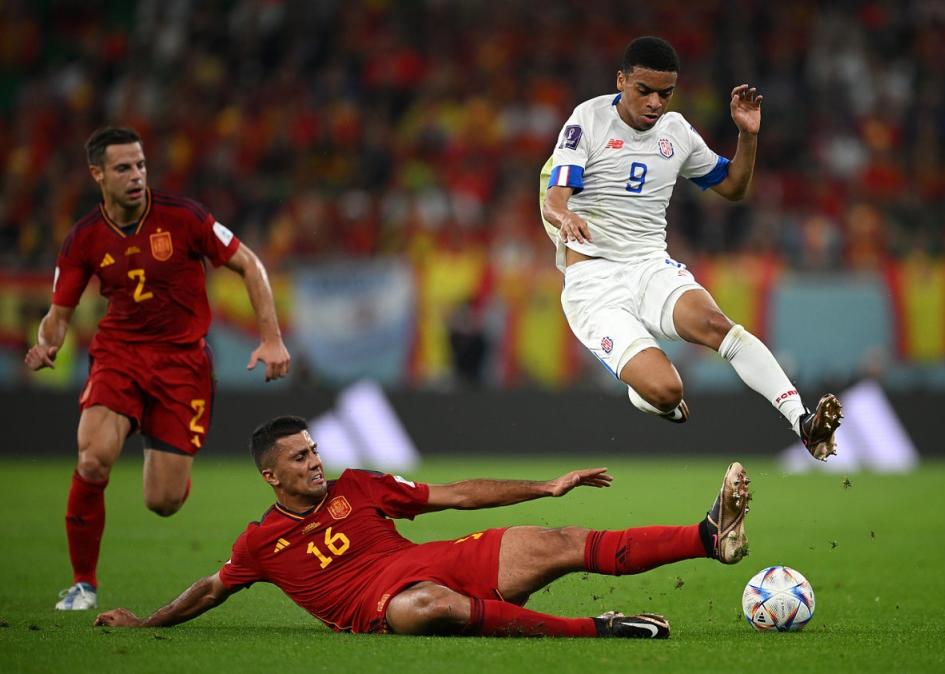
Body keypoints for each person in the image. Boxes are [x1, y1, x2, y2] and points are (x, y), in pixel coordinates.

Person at [94, 415, 750, 638]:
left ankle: (708, 536)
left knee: (556, 541)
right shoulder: (260, 544)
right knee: (428, 606)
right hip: (384, 606)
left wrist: (542, 486)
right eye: (300, 458)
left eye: (315, 450)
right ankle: (598, 631)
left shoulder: (357, 486)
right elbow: (211, 588)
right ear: (272, 477)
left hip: (435, 559)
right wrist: (147, 623)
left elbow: (456, 494)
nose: (316, 463)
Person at [24, 127, 291, 611]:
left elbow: (250, 264)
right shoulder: (83, 238)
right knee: (92, 459)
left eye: (141, 165)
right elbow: (58, 317)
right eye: (124, 167)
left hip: (181, 365)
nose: (136, 176)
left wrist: (272, 338)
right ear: (97, 174)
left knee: (164, 502)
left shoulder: (184, 217)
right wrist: (46, 345)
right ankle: (83, 584)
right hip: (119, 357)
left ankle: (159, 439)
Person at [539, 36, 841, 459]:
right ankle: (648, 396)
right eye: (644, 91)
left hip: (649, 266)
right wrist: (565, 216)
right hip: (594, 281)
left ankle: (802, 421)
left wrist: (747, 136)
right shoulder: (586, 120)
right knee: (667, 390)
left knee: (719, 326)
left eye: (665, 94)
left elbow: (733, 188)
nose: (654, 103)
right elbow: (555, 198)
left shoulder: (677, 132)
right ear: (621, 80)